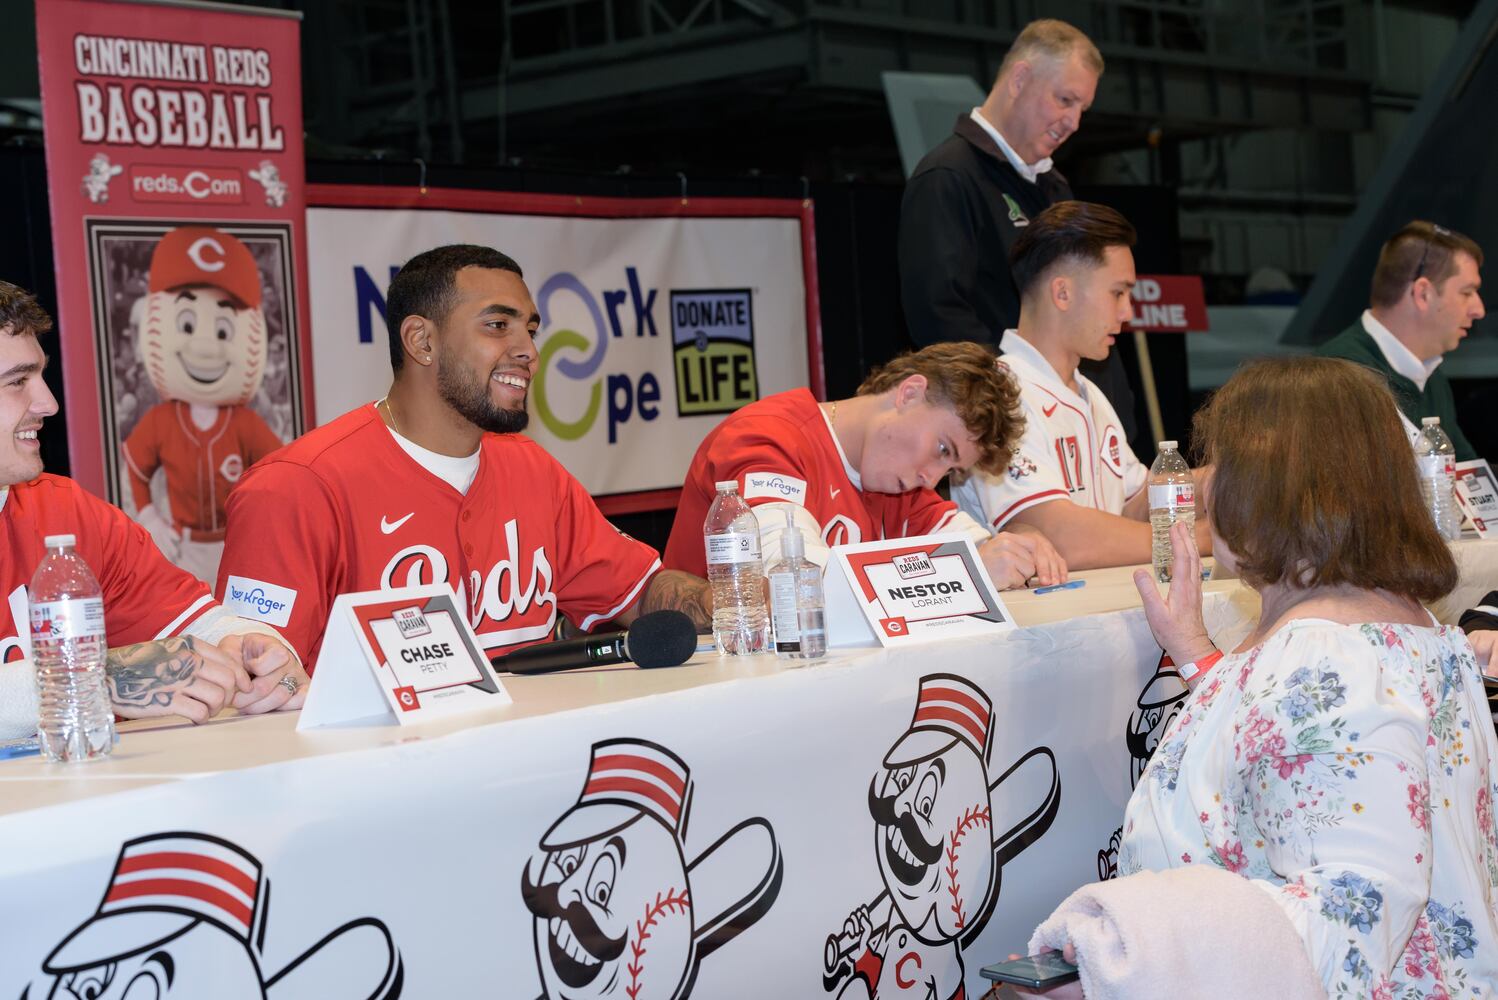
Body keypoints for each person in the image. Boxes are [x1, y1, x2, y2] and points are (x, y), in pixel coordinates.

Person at [1016, 357, 1498, 997]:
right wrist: (1194, 647)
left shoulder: (1326, 662)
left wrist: (1119, 956)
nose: (1203, 485)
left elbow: (1346, 929)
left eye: (1218, 464)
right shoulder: (1399, 634)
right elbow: (1293, 764)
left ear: (1267, 488)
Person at [217, 245, 713, 669]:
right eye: (498, 325)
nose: (529, 352)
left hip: (532, 767)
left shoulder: (533, 470)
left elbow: (642, 593)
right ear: (422, 341)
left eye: (531, 330)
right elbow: (255, 685)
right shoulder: (294, 487)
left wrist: (744, 599)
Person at [0, 281, 306, 740]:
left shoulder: (65, 511)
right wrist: (101, 677)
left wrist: (255, 653)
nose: (48, 403)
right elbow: (117, 673)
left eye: (41, 376)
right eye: (18, 382)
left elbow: (200, 622)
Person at [662, 342, 1066, 590]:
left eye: (951, 470)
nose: (933, 477)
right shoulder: (766, 435)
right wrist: (967, 572)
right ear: (910, 392)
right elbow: (794, 581)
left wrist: (1018, 547)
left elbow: (977, 549)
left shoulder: (901, 485)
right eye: (943, 449)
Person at [898, 18, 1135, 438]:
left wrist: (1113, 418)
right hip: (1010, 434)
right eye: (1065, 100)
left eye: (1083, 108)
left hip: (1086, 433)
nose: (1074, 121)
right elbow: (941, 319)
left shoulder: (1054, 186)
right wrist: (1018, 401)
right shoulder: (947, 177)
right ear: (1020, 78)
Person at [951, 201, 1210, 570]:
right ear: (1062, 293)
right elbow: (1060, 539)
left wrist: (1221, 480)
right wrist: (1202, 538)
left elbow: (1134, 506)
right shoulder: (997, 392)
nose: (1127, 312)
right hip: (1030, 625)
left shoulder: (1089, 394)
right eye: (1118, 293)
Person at [122, 226, 285, 585]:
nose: (207, 348)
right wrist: (149, 516)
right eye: (188, 324)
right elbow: (136, 468)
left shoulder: (243, 422)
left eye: (224, 331)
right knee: (192, 624)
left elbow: (280, 471)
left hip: (238, 541)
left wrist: (264, 520)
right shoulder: (162, 420)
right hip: (186, 546)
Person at [1316, 220, 1485, 459]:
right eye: (1466, 293)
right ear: (1423, 294)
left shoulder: (1431, 375)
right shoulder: (1337, 377)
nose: (1479, 310)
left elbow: (1468, 477)